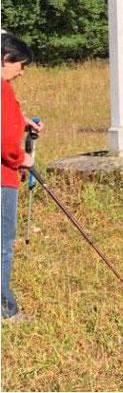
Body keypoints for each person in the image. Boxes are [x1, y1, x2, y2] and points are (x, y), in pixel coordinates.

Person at [2, 33, 44, 322]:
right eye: (21, 64)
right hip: (3, 178)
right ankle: (6, 311)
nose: (22, 70)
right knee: (3, 243)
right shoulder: (2, 89)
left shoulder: (5, 90)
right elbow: (4, 143)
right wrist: (22, 159)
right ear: (6, 60)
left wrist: (23, 120)